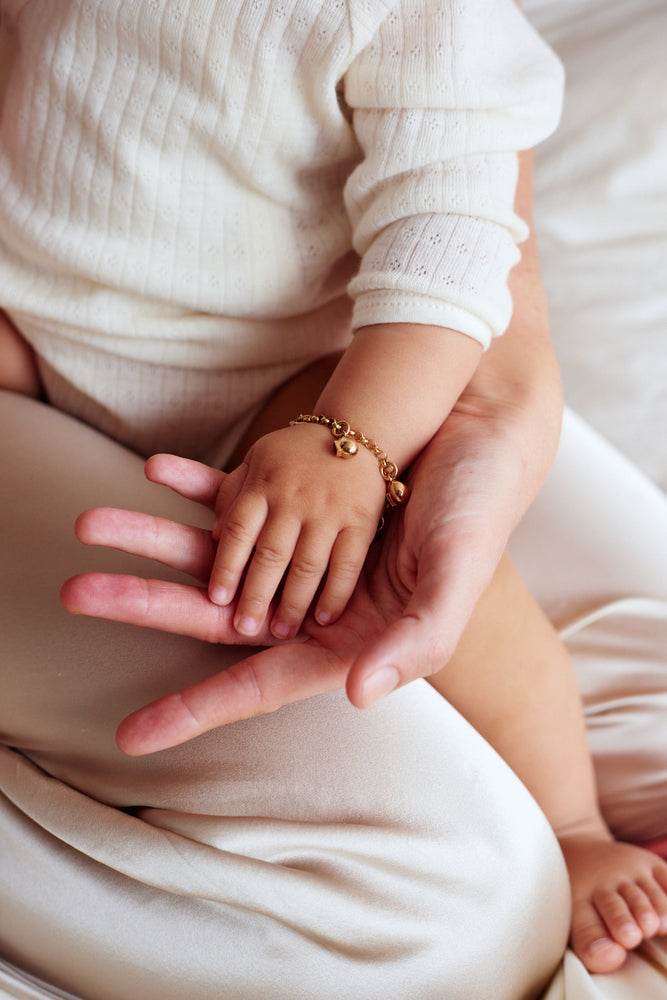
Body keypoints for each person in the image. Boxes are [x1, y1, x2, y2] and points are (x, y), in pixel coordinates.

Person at [0, 2, 626, 998]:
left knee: (422, 561)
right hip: (44, 326)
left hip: (290, 382)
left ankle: (571, 822)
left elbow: (452, 228)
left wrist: (355, 441)